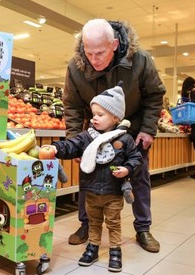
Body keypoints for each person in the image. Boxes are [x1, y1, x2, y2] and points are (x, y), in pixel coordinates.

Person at [63, 18, 166, 253]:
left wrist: (149, 129)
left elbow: (154, 95)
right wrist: (74, 139)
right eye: (89, 53)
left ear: (115, 44)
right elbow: (71, 106)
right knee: (89, 177)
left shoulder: (140, 60)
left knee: (138, 177)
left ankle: (143, 228)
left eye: (100, 53)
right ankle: (86, 225)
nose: (94, 60)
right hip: (95, 131)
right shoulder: (75, 67)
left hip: (134, 129)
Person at [45, 82, 143, 272]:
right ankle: (93, 247)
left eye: (100, 115)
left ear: (115, 117)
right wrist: (56, 148)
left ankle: (115, 250)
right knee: (93, 222)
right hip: (90, 190)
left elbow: (136, 159)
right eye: (93, 114)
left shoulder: (124, 139)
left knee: (113, 223)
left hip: (113, 191)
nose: (94, 119)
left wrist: (127, 170)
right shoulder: (87, 137)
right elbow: (71, 145)